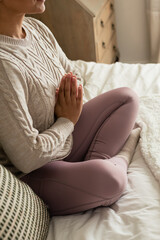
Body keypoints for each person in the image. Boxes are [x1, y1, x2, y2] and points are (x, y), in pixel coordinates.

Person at [0, 0, 140, 215]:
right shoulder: (3, 65)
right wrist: (66, 121)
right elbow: (28, 158)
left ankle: (87, 170)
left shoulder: (37, 29)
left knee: (127, 98)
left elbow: (74, 74)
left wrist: (68, 108)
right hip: (33, 170)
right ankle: (119, 159)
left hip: (62, 139)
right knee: (110, 181)